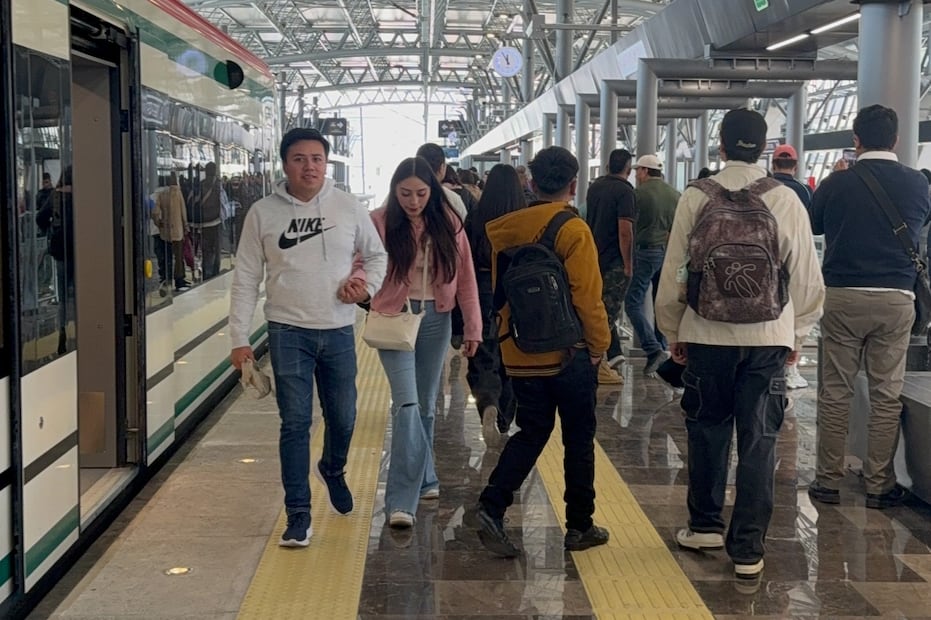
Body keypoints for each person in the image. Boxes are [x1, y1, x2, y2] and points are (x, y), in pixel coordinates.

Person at [655, 108, 824, 580]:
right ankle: (748, 549)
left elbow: (674, 273)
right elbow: (808, 280)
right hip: (769, 337)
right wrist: (797, 335)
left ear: (722, 146)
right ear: (765, 148)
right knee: (759, 438)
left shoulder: (696, 196)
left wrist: (674, 329)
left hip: (707, 332)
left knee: (707, 426)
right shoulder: (785, 199)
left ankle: (706, 525)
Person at [229, 127, 388, 547]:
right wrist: (239, 338)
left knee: (345, 416)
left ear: (326, 163)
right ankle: (298, 513)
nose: (309, 166)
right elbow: (245, 277)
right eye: (299, 158)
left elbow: (376, 255)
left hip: (337, 328)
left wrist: (366, 287)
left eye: (317, 158)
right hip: (286, 330)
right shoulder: (262, 213)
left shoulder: (348, 207)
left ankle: (333, 469)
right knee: (295, 422)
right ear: (285, 164)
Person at [466, 146, 612, 557]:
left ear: (530, 183)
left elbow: (500, 294)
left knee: (532, 431)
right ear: (572, 184)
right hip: (569, 354)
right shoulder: (573, 230)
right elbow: (588, 299)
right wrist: (599, 347)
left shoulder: (503, 230)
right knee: (579, 438)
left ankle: (493, 505)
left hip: (519, 353)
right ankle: (579, 526)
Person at [809, 104, 931, 510]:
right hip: (896, 298)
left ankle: (827, 480)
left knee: (835, 391)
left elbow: (815, 225)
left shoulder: (837, 182)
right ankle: (879, 484)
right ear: (895, 139)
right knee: (886, 393)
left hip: (843, 296)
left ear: (855, 140)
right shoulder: (917, 184)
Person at [361, 156, 481, 529]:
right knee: (408, 404)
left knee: (427, 405)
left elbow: (466, 280)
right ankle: (401, 500)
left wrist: (473, 328)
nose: (413, 201)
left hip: (435, 321)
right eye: (405, 193)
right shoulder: (379, 223)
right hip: (394, 320)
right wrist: (358, 286)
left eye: (421, 193)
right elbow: (361, 264)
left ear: (433, 191)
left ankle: (427, 476)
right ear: (395, 192)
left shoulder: (449, 224)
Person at [464, 164, 525, 436]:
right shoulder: (525, 218)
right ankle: (505, 416)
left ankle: (487, 401)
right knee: (510, 354)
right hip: (515, 292)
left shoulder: (476, 217)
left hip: (482, 289)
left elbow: (464, 260)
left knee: (483, 353)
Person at [585, 148, 636, 385]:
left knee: (600, 308)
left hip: (594, 257)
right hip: (615, 261)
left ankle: (613, 354)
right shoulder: (625, 192)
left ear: (607, 166)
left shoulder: (595, 187)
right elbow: (625, 231)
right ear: (628, 168)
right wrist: (628, 264)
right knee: (608, 313)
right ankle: (597, 364)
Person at [628, 154, 680, 376]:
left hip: (644, 251)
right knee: (661, 302)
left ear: (645, 171)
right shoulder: (674, 194)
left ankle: (652, 348)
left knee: (632, 302)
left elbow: (628, 226)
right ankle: (663, 347)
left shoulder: (637, 194)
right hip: (666, 253)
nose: (636, 175)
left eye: (637, 170)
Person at [771, 144, 813, 390]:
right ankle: (790, 367)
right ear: (795, 166)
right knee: (793, 307)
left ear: (773, 164)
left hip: (765, 261)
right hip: (794, 260)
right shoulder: (804, 191)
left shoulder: (764, 188)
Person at [153, 172, 191, 292]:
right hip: (178, 231)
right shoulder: (177, 192)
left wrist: (159, 223)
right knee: (178, 257)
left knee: (167, 256)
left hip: (165, 232)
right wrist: (186, 225)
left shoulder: (161, 194)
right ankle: (179, 281)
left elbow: (155, 212)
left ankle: (167, 279)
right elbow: (183, 210)